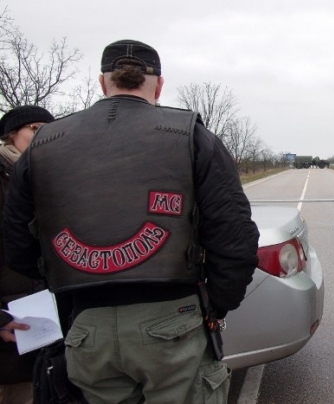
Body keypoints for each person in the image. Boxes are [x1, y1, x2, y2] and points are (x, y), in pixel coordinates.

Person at [2, 39, 259, 404]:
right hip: (174, 317)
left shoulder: (44, 143)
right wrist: (214, 305)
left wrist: (71, 291)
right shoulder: (192, 136)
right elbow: (235, 238)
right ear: (159, 84)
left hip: (86, 327)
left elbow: (17, 245)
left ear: (102, 83)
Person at [0, 106, 54, 404]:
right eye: (35, 128)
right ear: (11, 135)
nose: (42, 136)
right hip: (8, 327)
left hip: (38, 325)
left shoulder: (48, 181)